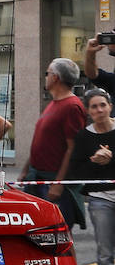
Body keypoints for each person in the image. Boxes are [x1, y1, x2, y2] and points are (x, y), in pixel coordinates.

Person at [52, 88, 115, 265]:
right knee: (106, 254)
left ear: (110, 106)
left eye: (103, 105)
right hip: (100, 199)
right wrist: (94, 161)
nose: (99, 110)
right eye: (94, 107)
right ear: (88, 111)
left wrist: (112, 158)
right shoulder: (84, 137)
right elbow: (77, 173)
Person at [30, 58, 87, 228]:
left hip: (53, 183)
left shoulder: (72, 106)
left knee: (56, 234)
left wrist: (59, 183)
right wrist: (26, 169)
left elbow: (73, 148)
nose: (45, 77)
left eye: (47, 73)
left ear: (55, 77)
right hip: (39, 178)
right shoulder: (54, 103)